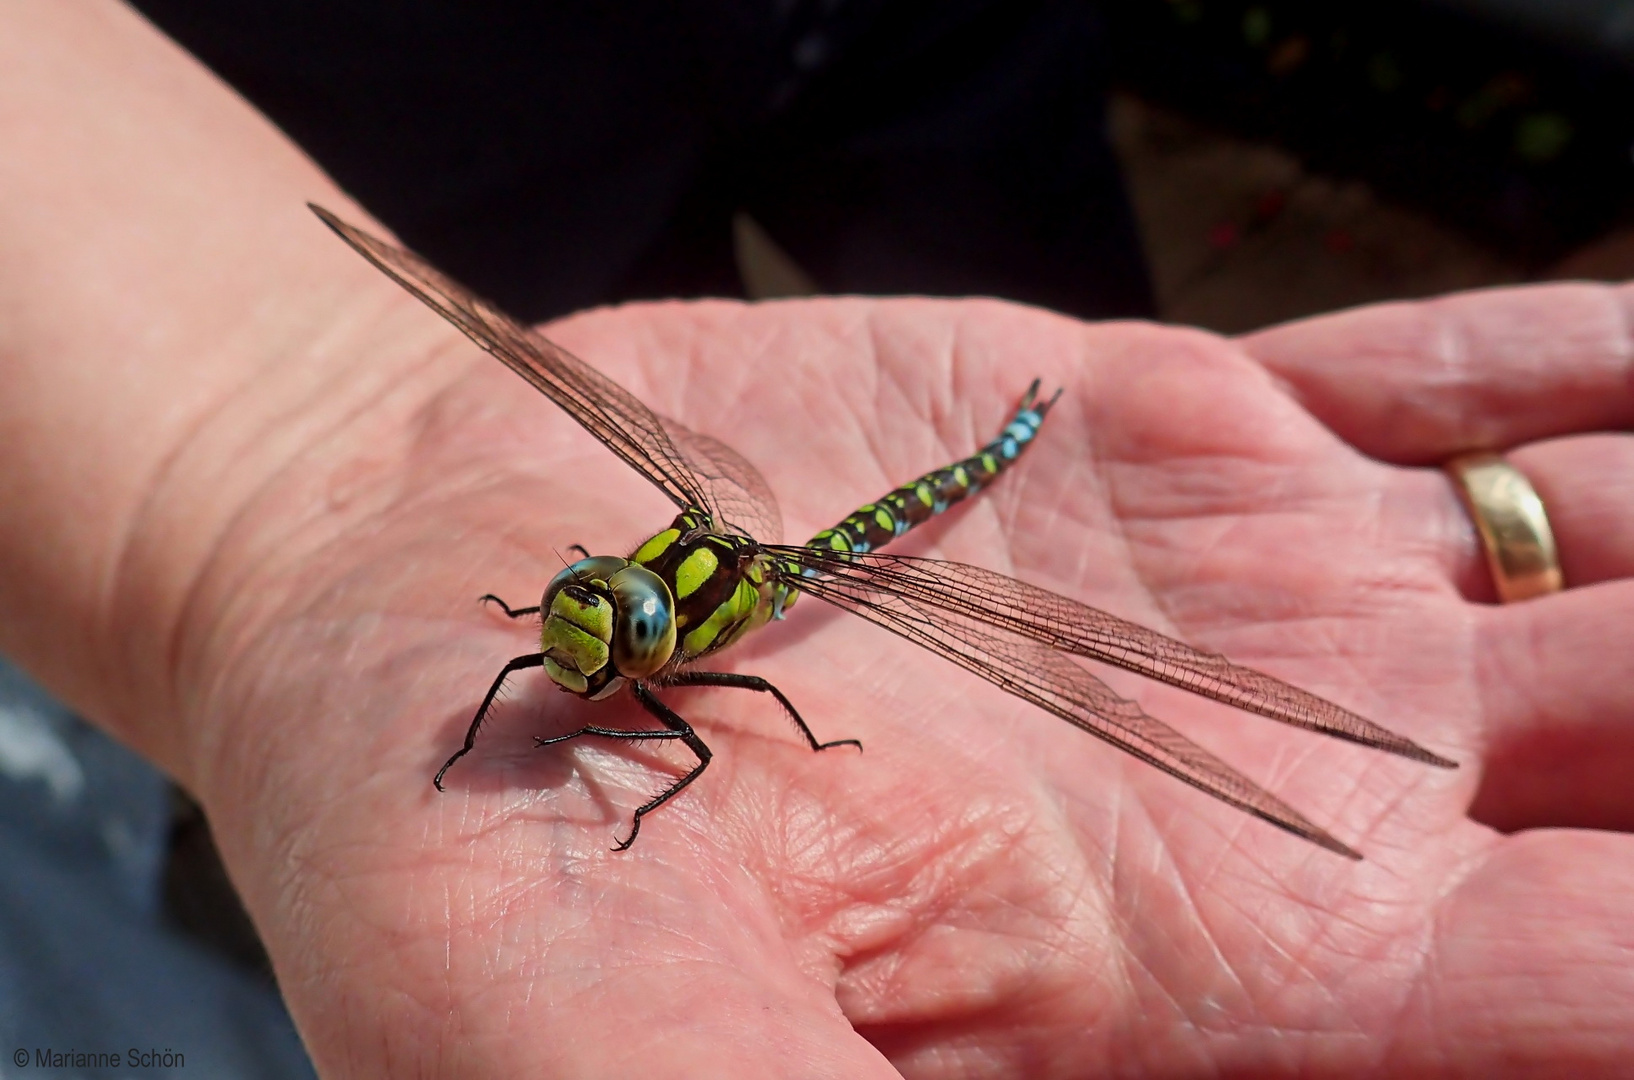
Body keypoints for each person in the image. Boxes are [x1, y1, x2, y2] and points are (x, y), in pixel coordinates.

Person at [1, 3, 1629, 1076]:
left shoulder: (707, 653)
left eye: (598, 627)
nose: (570, 640)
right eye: (583, 615)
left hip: (912, 66)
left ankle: (1017, 428)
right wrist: (274, 487)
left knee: (816, 631)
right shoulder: (590, 619)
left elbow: (738, 730)